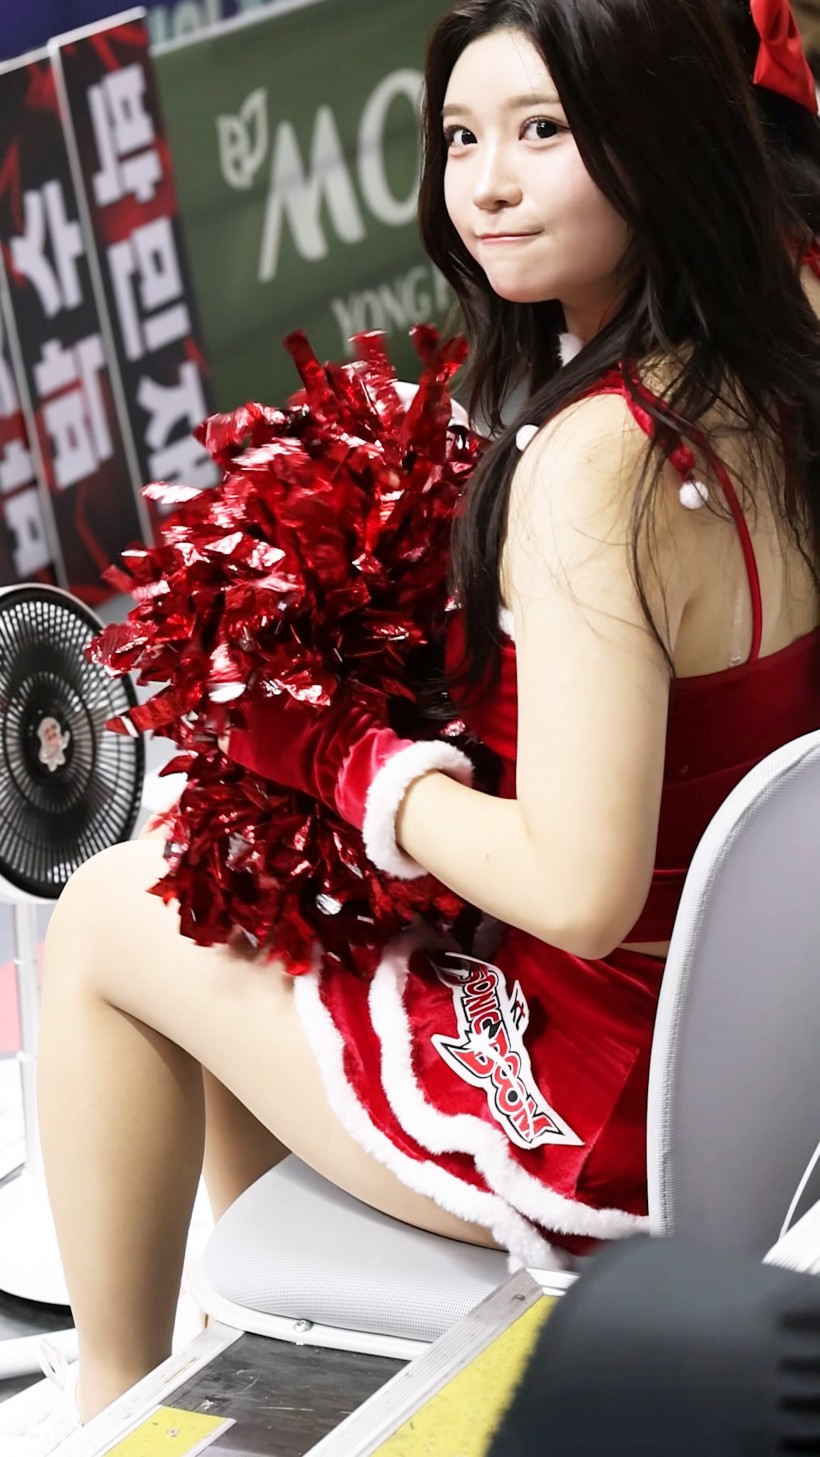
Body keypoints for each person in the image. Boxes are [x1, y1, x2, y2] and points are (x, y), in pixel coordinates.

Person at [4, 0, 820, 1449]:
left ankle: (110, 1399)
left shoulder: (595, 464)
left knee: (117, 913)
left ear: (656, 140)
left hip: (604, 1115)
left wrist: (341, 757)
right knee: (246, 900)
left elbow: (580, 886)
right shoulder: (777, 367)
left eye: (542, 132)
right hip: (760, 1081)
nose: (486, 184)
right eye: (459, 137)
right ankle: (249, 1331)